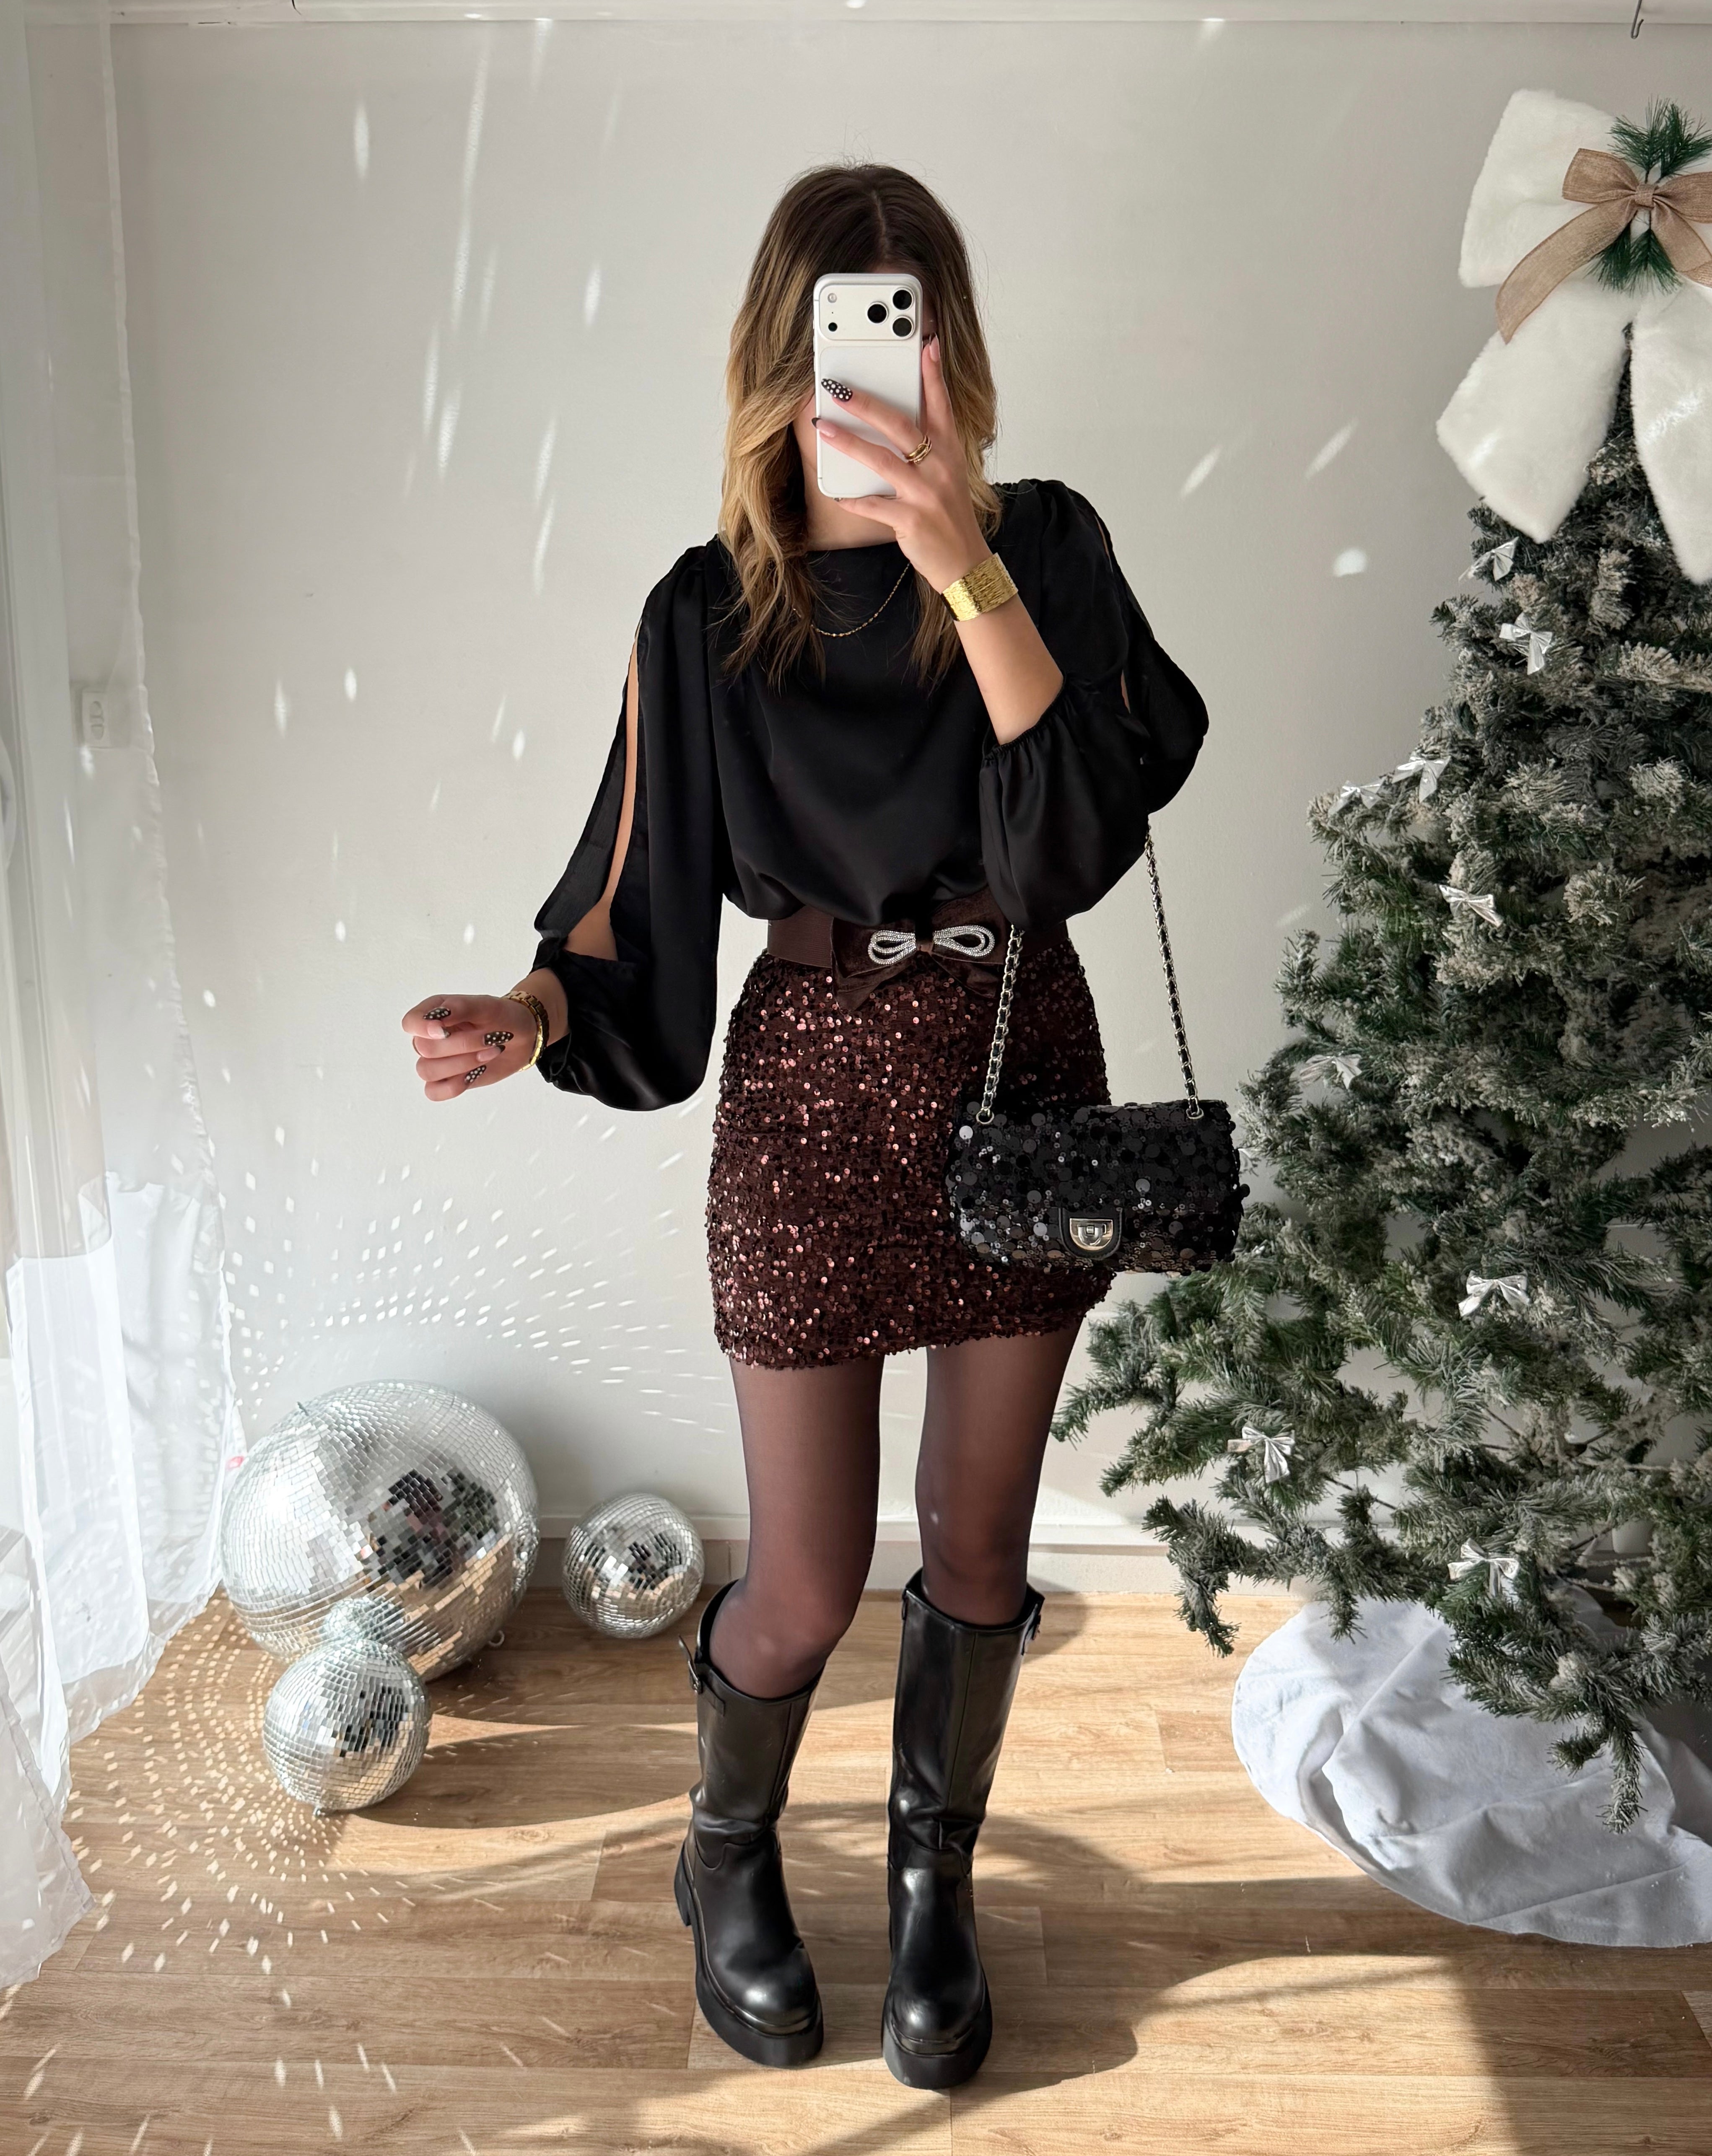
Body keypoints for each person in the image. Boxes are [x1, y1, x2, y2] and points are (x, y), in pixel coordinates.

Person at [402, 162, 1208, 2088]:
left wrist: (963, 563)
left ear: (951, 350)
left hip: (1017, 1061)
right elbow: (632, 882)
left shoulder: (1046, 548)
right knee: (803, 1574)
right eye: (847, 332)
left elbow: (1074, 843)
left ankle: (936, 1881)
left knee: (982, 1546)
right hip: (811, 1097)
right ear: (785, 360)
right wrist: (531, 1010)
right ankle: (724, 1847)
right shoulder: (707, 615)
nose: (881, 367)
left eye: (909, 328)